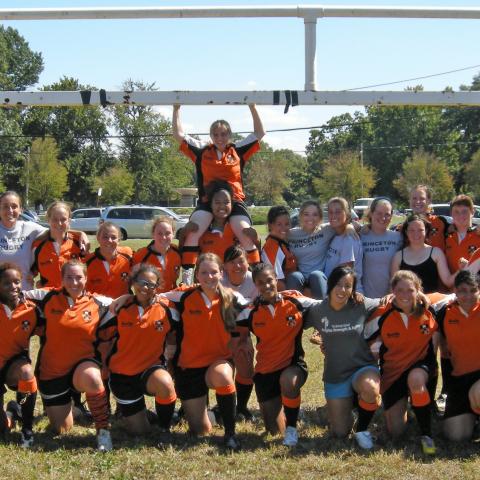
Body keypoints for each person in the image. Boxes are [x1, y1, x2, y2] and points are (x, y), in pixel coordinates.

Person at [25, 260, 113, 452]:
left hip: (83, 366)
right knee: (62, 429)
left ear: (86, 278)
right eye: (69, 278)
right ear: (62, 279)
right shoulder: (46, 297)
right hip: (52, 372)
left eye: (79, 277)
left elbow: (126, 304)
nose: (74, 282)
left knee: (93, 378)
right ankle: (73, 409)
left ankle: (103, 432)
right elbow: (14, 295)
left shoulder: (99, 302)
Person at [173, 104, 265, 284]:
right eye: (215, 134)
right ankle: (187, 276)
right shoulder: (202, 151)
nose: (219, 138)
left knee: (246, 232)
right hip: (208, 201)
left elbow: (260, 133)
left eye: (223, 134)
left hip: (234, 200)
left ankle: (258, 274)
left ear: (229, 135)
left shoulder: (237, 150)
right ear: (211, 136)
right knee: (193, 230)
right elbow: (178, 135)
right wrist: (176, 108)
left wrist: (252, 106)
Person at [162, 253, 245, 450]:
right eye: (204, 272)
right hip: (189, 368)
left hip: (218, 362)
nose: (209, 277)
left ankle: (230, 434)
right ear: (196, 275)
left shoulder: (232, 298)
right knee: (200, 430)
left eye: (214, 272)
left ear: (221, 273)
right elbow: (152, 297)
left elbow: (259, 307)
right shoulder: (183, 296)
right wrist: (123, 299)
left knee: (223, 376)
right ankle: (215, 415)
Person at [236, 263, 315, 447]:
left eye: (270, 280)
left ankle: (292, 428)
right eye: (261, 283)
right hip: (265, 372)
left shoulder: (296, 301)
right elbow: (237, 335)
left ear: (276, 279)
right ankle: (290, 412)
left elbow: (326, 306)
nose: (266, 286)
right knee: (273, 430)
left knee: (288, 382)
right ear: (256, 285)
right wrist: (243, 344)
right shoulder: (250, 312)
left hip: (292, 366)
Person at [304, 266, 381, 450]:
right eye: (338, 284)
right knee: (340, 433)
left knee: (370, 389)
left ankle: (362, 429)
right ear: (330, 285)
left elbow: (386, 302)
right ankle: (351, 409)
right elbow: (293, 315)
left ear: (353, 289)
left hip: (362, 368)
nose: (343, 290)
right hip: (336, 374)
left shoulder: (361, 304)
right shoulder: (317, 310)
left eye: (348, 286)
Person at [364, 270, 438, 455]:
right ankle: (411, 408)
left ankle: (426, 434)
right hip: (393, 373)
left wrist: (423, 296)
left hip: (421, 367)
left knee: (416, 380)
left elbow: (455, 295)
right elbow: (363, 338)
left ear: (418, 290)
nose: (405, 295)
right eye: (400, 290)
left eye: (410, 290)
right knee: (396, 432)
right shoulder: (382, 313)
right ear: (392, 291)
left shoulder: (430, 309)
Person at [98, 264, 177, 435]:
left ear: (157, 288)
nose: (145, 287)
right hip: (122, 377)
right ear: (133, 283)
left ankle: (164, 428)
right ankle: (138, 414)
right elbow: (101, 336)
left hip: (150, 370)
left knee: (165, 383)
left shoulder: (167, 309)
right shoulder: (119, 308)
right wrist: (102, 364)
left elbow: (179, 332)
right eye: (141, 282)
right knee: (140, 432)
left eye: (151, 284)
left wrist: (172, 357)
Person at [436, 270, 480, 441]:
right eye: (462, 290)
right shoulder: (444, 313)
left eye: (473, 290)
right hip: (460, 380)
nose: (468, 296)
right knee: (456, 437)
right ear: (454, 291)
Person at [0, 263, 39, 448]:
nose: (13, 286)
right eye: (7, 283)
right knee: (2, 432)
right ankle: (10, 414)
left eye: (17, 282)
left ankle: (27, 429)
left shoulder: (30, 309)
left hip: (13, 365)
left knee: (27, 373)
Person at [222, 245, 257, 421]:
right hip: (220, 334)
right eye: (232, 262)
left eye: (240, 261)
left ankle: (241, 406)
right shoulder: (219, 280)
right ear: (225, 266)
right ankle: (222, 406)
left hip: (243, 332)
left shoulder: (255, 281)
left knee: (246, 367)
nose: (237, 266)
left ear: (247, 261)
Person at [391, 215, 455, 293]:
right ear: (406, 232)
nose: (416, 234)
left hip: (431, 302)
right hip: (406, 303)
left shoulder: (436, 253)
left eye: (420, 230)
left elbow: (448, 281)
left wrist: (463, 269)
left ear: (426, 231)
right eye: (412, 230)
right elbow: (393, 288)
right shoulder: (398, 256)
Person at [286, 200, 336, 299]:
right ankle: (292, 311)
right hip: (301, 278)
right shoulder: (291, 234)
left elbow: (347, 225)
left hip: (319, 277)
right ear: (300, 216)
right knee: (294, 276)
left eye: (315, 215)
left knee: (316, 275)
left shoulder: (326, 230)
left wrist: (351, 228)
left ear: (320, 217)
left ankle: (322, 311)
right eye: (306, 214)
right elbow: (274, 235)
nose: (310, 218)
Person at [31, 201, 85, 288]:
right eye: (55, 219)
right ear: (48, 220)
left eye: (63, 219)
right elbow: (31, 272)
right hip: (49, 298)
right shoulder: (37, 246)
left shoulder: (79, 243)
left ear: (69, 221)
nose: (59, 223)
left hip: (74, 296)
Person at [0, 191, 47, 289]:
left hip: (24, 294)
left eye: (14, 206)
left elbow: (57, 231)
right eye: (5, 206)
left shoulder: (30, 228)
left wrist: (80, 234)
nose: (10, 210)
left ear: (20, 209)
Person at [361, 197, 403, 298]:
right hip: (365, 298)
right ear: (371, 213)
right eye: (379, 213)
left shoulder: (398, 238)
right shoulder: (359, 236)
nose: (383, 218)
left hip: (391, 298)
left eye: (387, 214)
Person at [323, 197, 364, 293]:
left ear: (347, 214)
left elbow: (345, 275)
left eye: (338, 212)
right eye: (330, 212)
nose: (333, 215)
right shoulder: (335, 235)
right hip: (333, 291)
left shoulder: (349, 239)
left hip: (345, 294)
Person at [133, 216, 181, 293]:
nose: (164, 237)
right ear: (153, 234)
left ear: (173, 234)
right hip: (150, 300)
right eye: (159, 233)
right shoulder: (141, 255)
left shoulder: (177, 252)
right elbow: (134, 282)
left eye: (168, 233)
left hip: (171, 299)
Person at [85, 222, 133, 298]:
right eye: (105, 237)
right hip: (96, 306)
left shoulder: (128, 255)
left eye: (113, 237)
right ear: (98, 238)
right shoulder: (87, 261)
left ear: (119, 240)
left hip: (122, 306)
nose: (109, 240)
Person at [261, 205, 297, 291]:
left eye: (287, 224)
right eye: (279, 224)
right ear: (270, 225)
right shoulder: (272, 247)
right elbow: (277, 282)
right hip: (284, 294)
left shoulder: (280, 242)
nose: (284, 228)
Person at [406, 185, 449, 250]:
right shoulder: (403, 227)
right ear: (409, 200)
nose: (418, 201)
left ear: (429, 200)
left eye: (422, 198)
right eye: (414, 198)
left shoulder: (441, 222)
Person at [444, 195, 480, 275]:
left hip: (474, 286)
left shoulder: (478, 235)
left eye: (464, 211)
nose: (460, 215)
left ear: (472, 212)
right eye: (456, 212)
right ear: (451, 214)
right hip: (449, 286)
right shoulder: (446, 237)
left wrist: (470, 267)